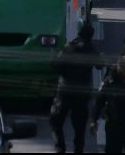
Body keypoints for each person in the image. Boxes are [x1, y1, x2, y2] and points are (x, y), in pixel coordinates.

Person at [50, 23, 103, 154]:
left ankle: (60, 147)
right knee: (79, 126)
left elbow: (55, 64)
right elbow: (100, 65)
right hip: (82, 92)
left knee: (56, 121)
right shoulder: (91, 49)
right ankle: (78, 149)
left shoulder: (70, 47)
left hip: (65, 90)